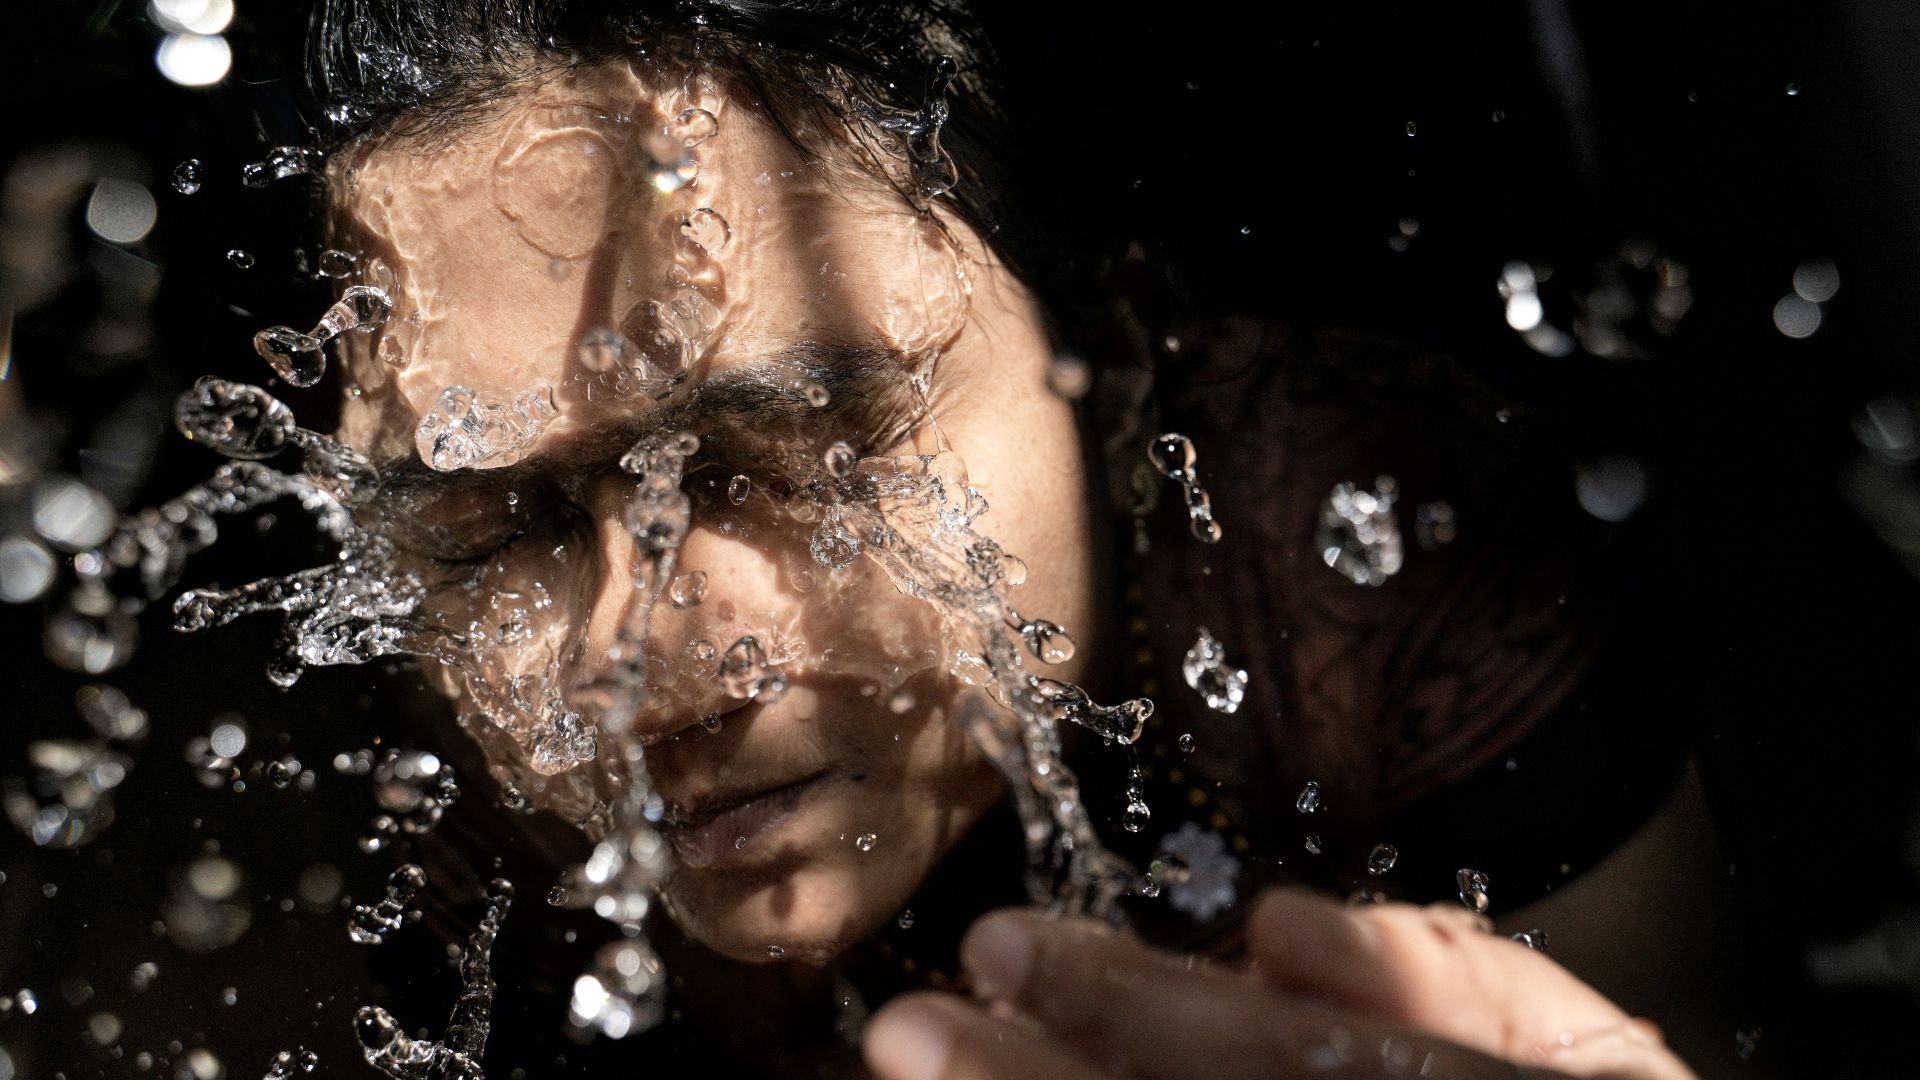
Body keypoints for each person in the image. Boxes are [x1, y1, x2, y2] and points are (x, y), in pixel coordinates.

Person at [299, 2, 1724, 1077]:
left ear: (1105, 371)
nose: (644, 674)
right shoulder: (479, 834)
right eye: (494, 532)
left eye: (798, 459)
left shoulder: (1360, 544)